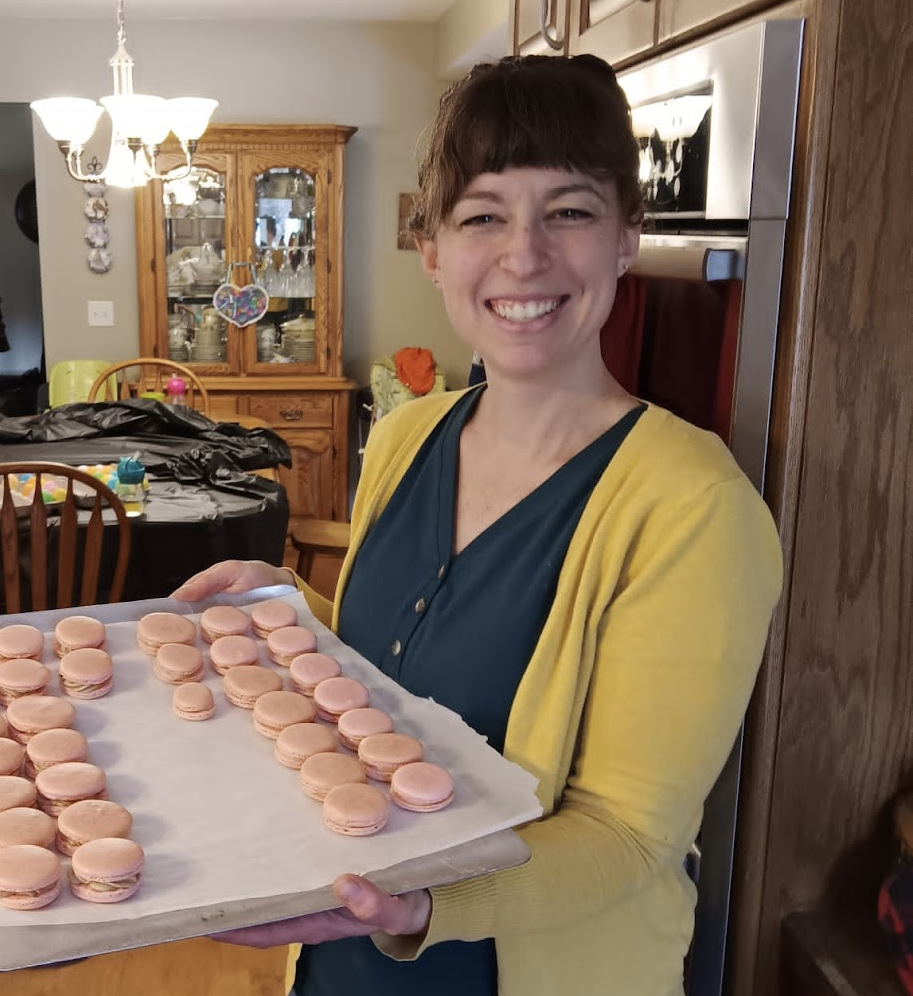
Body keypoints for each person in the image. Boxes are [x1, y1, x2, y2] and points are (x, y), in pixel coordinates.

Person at [172, 53, 782, 996]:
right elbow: (390, 680)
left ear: (627, 234)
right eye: (484, 215)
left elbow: (627, 833)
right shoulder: (410, 434)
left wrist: (423, 907)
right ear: (434, 247)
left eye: (570, 212)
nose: (524, 256)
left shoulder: (695, 508)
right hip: (342, 955)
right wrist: (292, 609)